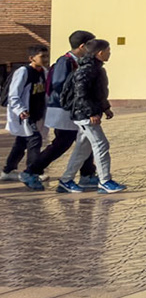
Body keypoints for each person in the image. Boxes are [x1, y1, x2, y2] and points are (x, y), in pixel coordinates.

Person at [29, 31, 97, 190]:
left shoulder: (80, 62)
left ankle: (87, 175)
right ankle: (31, 171)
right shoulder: (65, 62)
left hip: (74, 109)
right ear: (82, 46)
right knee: (62, 143)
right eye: (91, 45)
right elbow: (59, 85)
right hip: (63, 110)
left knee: (85, 140)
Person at [56, 39, 124, 193]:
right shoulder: (86, 70)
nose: (110, 53)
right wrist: (91, 112)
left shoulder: (96, 68)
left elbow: (99, 92)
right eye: (108, 50)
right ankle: (105, 181)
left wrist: (105, 108)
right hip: (84, 114)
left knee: (83, 148)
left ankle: (66, 180)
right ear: (100, 52)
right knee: (101, 145)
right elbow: (82, 94)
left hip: (89, 113)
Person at [4, 44, 49, 187]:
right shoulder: (23, 72)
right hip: (26, 114)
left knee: (22, 142)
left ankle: (8, 170)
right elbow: (14, 94)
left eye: (47, 56)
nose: (46, 59)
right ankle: (32, 172)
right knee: (34, 140)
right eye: (42, 57)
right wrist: (20, 110)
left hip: (38, 113)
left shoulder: (44, 72)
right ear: (32, 58)